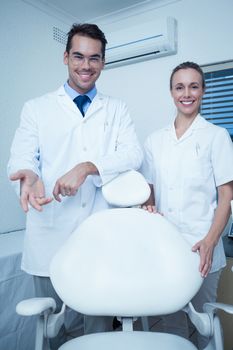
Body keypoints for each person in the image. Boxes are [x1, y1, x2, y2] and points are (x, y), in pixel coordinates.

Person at [7, 23, 143, 348]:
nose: (86, 65)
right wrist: (29, 175)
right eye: (78, 56)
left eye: (94, 58)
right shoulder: (36, 108)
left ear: (103, 62)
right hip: (48, 237)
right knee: (52, 330)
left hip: (97, 240)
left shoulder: (116, 108)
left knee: (96, 330)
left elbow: (133, 155)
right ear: (65, 57)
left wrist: (88, 167)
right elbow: (20, 159)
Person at [141, 61, 233, 349]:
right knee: (171, 322)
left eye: (194, 86)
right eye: (180, 87)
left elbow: (226, 197)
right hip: (167, 247)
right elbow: (149, 191)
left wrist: (209, 241)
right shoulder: (155, 141)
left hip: (203, 247)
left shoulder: (216, 136)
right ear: (171, 92)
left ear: (203, 91)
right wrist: (149, 208)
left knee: (205, 323)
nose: (187, 93)